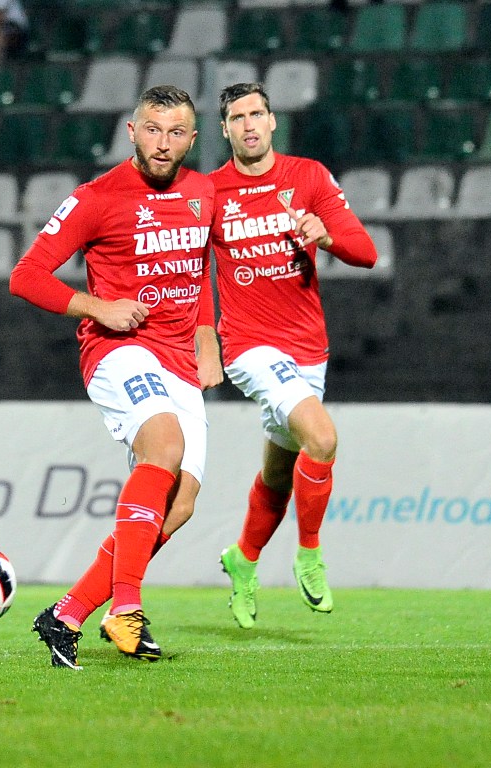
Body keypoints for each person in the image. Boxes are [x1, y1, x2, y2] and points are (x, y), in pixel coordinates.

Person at [9, 85, 220, 669]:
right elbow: (26, 276)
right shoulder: (96, 198)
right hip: (119, 349)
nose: (162, 143)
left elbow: (198, 270)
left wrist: (207, 340)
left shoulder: (203, 192)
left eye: (175, 133)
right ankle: (126, 606)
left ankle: (67, 614)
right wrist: (97, 307)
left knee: (180, 506)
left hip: (180, 360)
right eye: (152, 129)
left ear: (191, 139)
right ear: (132, 131)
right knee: (164, 446)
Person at [209, 83, 377, 629]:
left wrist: (325, 237)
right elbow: (188, 273)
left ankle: (243, 557)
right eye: (238, 117)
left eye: (257, 113)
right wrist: (203, 340)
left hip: (308, 349)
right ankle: (309, 554)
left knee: (279, 474)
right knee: (322, 439)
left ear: (273, 121)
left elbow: (366, 253)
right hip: (249, 344)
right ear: (225, 129)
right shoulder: (210, 192)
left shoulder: (308, 177)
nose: (249, 124)